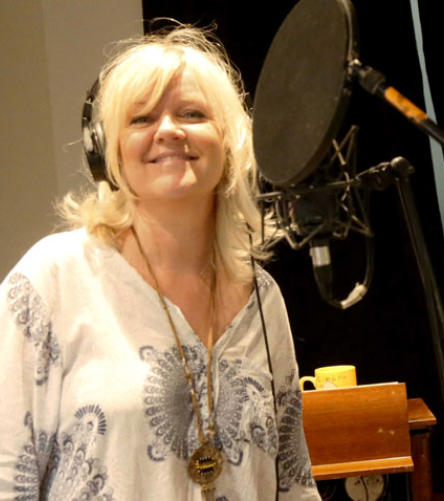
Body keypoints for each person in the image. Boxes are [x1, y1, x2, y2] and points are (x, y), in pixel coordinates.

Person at [0, 25, 321, 500]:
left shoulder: (261, 294)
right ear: (108, 152)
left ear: (229, 141)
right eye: (142, 118)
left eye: (192, 114)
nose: (169, 130)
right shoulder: (52, 280)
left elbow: (293, 484)